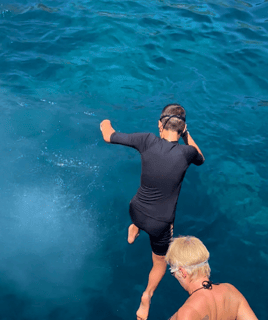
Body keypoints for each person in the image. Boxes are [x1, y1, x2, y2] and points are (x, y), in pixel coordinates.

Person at [99, 104, 205, 320]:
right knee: (159, 263)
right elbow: (201, 158)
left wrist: (105, 122)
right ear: (183, 128)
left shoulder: (146, 140)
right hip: (160, 223)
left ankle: (134, 229)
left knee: (141, 210)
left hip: (135, 210)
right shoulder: (187, 153)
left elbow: (108, 136)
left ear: (160, 124)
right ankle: (146, 297)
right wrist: (187, 135)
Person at [166, 236, 258, 320]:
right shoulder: (231, 291)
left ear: (182, 272)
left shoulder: (188, 312)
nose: (174, 275)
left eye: (172, 271)